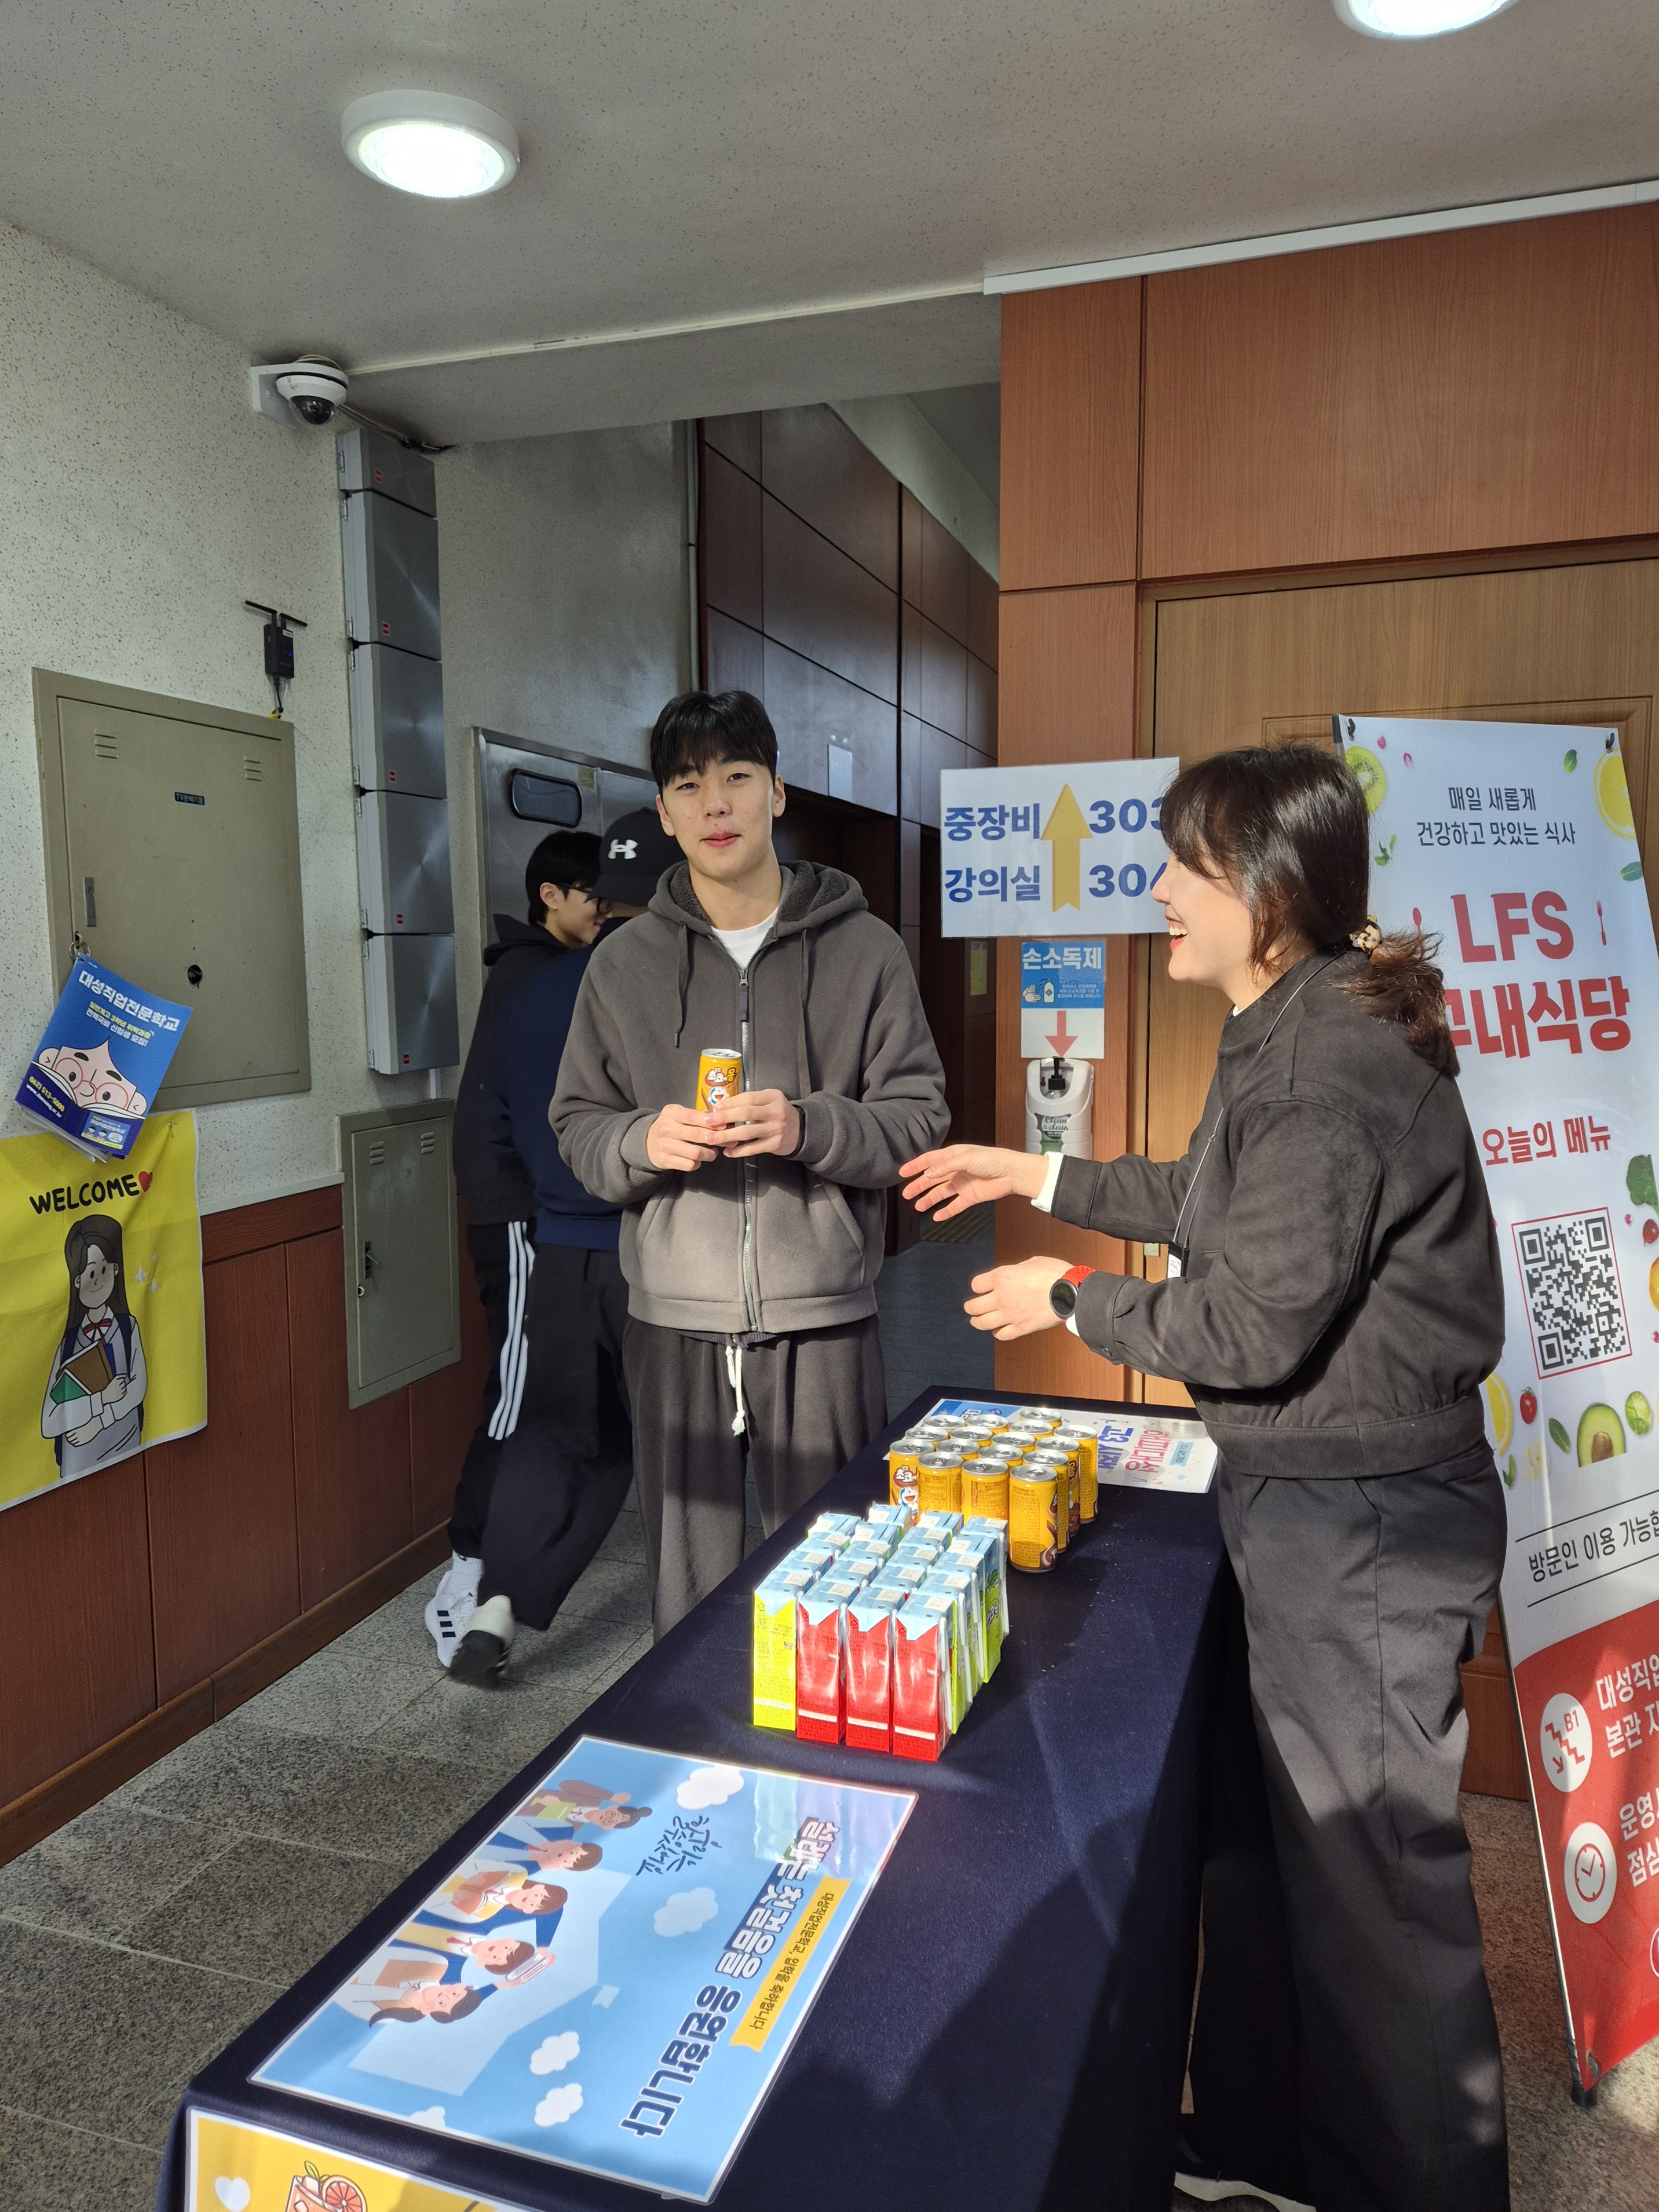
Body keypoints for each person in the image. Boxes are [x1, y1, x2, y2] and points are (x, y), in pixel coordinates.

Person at [902, 745, 1509, 2212]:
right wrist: (1037, 1174)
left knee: (1371, 1889)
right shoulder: (1290, 1017)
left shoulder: (1322, 1061)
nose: (1159, 889)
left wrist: (1069, 1299)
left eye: (1189, 867)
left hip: (1363, 1528)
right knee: (1265, 1846)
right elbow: (1209, 1202)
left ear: (1272, 893)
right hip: (1302, 1500)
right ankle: (1262, 2139)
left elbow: (1250, 1319)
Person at [553, 689, 951, 1637]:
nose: (715, 803)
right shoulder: (622, 963)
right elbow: (576, 1125)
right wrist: (640, 1141)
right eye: (689, 785)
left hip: (824, 1322)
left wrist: (808, 1125)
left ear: (776, 790)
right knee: (688, 1596)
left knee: (835, 1583)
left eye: (736, 776)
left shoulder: (865, 949)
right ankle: (697, 1729)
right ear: (663, 811)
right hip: (672, 1325)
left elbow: (918, 1120)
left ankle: (827, 1733)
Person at [446, 829, 646, 1685]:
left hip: (558, 1238)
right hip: (628, 1241)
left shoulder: (532, 981)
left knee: (554, 1424)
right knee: (669, 1437)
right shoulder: (643, 979)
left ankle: (496, 1604)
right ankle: (702, 1634)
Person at [41, 1215, 147, 1479]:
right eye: (90, 1274)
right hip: (78, 1463)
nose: (97, 1281)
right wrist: (99, 1401)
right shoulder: (68, 1345)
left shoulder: (127, 1328)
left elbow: (138, 1388)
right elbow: (49, 1422)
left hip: (128, 1448)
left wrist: (100, 1421)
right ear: (77, 1281)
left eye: (103, 1269)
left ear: (115, 1269)